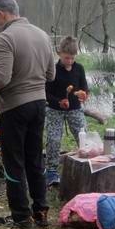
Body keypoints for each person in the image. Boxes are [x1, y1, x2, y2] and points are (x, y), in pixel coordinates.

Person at [0, 0, 56, 229]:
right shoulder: (43, 35)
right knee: (35, 159)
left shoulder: (6, 37)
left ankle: (22, 217)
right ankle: (41, 212)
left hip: (15, 107)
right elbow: (51, 75)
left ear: (2, 13)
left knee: (14, 162)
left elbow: (2, 77)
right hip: (39, 105)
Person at [44, 36, 89, 187]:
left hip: (75, 108)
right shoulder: (53, 69)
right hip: (55, 109)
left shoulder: (79, 68)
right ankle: (51, 171)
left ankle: (87, 165)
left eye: (72, 58)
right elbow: (46, 93)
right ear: (59, 53)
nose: (69, 61)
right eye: (66, 58)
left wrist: (83, 94)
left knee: (83, 136)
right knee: (54, 139)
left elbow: (84, 87)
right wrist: (58, 101)